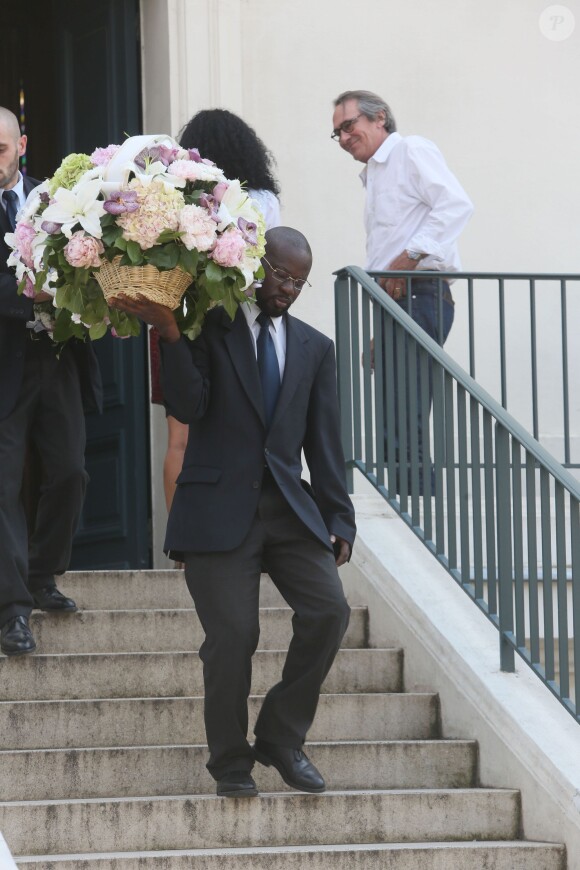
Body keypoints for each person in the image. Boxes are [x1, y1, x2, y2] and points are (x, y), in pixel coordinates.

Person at [111, 226, 356, 798]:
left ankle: (279, 735)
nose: (288, 289)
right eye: (280, 274)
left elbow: (325, 445)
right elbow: (187, 404)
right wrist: (170, 332)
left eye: (299, 281)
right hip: (217, 509)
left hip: (290, 511)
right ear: (255, 265)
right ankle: (229, 761)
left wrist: (339, 519)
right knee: (235, 635)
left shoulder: (315, 349)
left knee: (329, 613)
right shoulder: (205, 324)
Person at [332, 89, 473, 492]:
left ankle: (416, 506)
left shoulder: (410, 150)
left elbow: (456, 204)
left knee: (405, 408)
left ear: (380, 119)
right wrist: (382, 319)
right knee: (395, 410)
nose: (343, 138)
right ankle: (408, 499)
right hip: (402, 299)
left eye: (348, 125)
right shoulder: (376, 173)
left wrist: (409, 257)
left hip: (422, 293)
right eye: (337, 133)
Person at [0, 107, 103, 656]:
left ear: (21, 145)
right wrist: (25, 295)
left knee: (69, 473)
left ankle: (42, 576)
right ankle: (12, 609)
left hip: (58, 359)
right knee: (3, 486)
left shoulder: (56, 202)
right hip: (3, 364)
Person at [151, 108, 281, 512]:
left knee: (180, 439)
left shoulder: (175, 195)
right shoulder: (263, 201)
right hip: (237, 326)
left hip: (177, 320)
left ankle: (180, 544)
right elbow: (266, 269)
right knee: (241, 434)